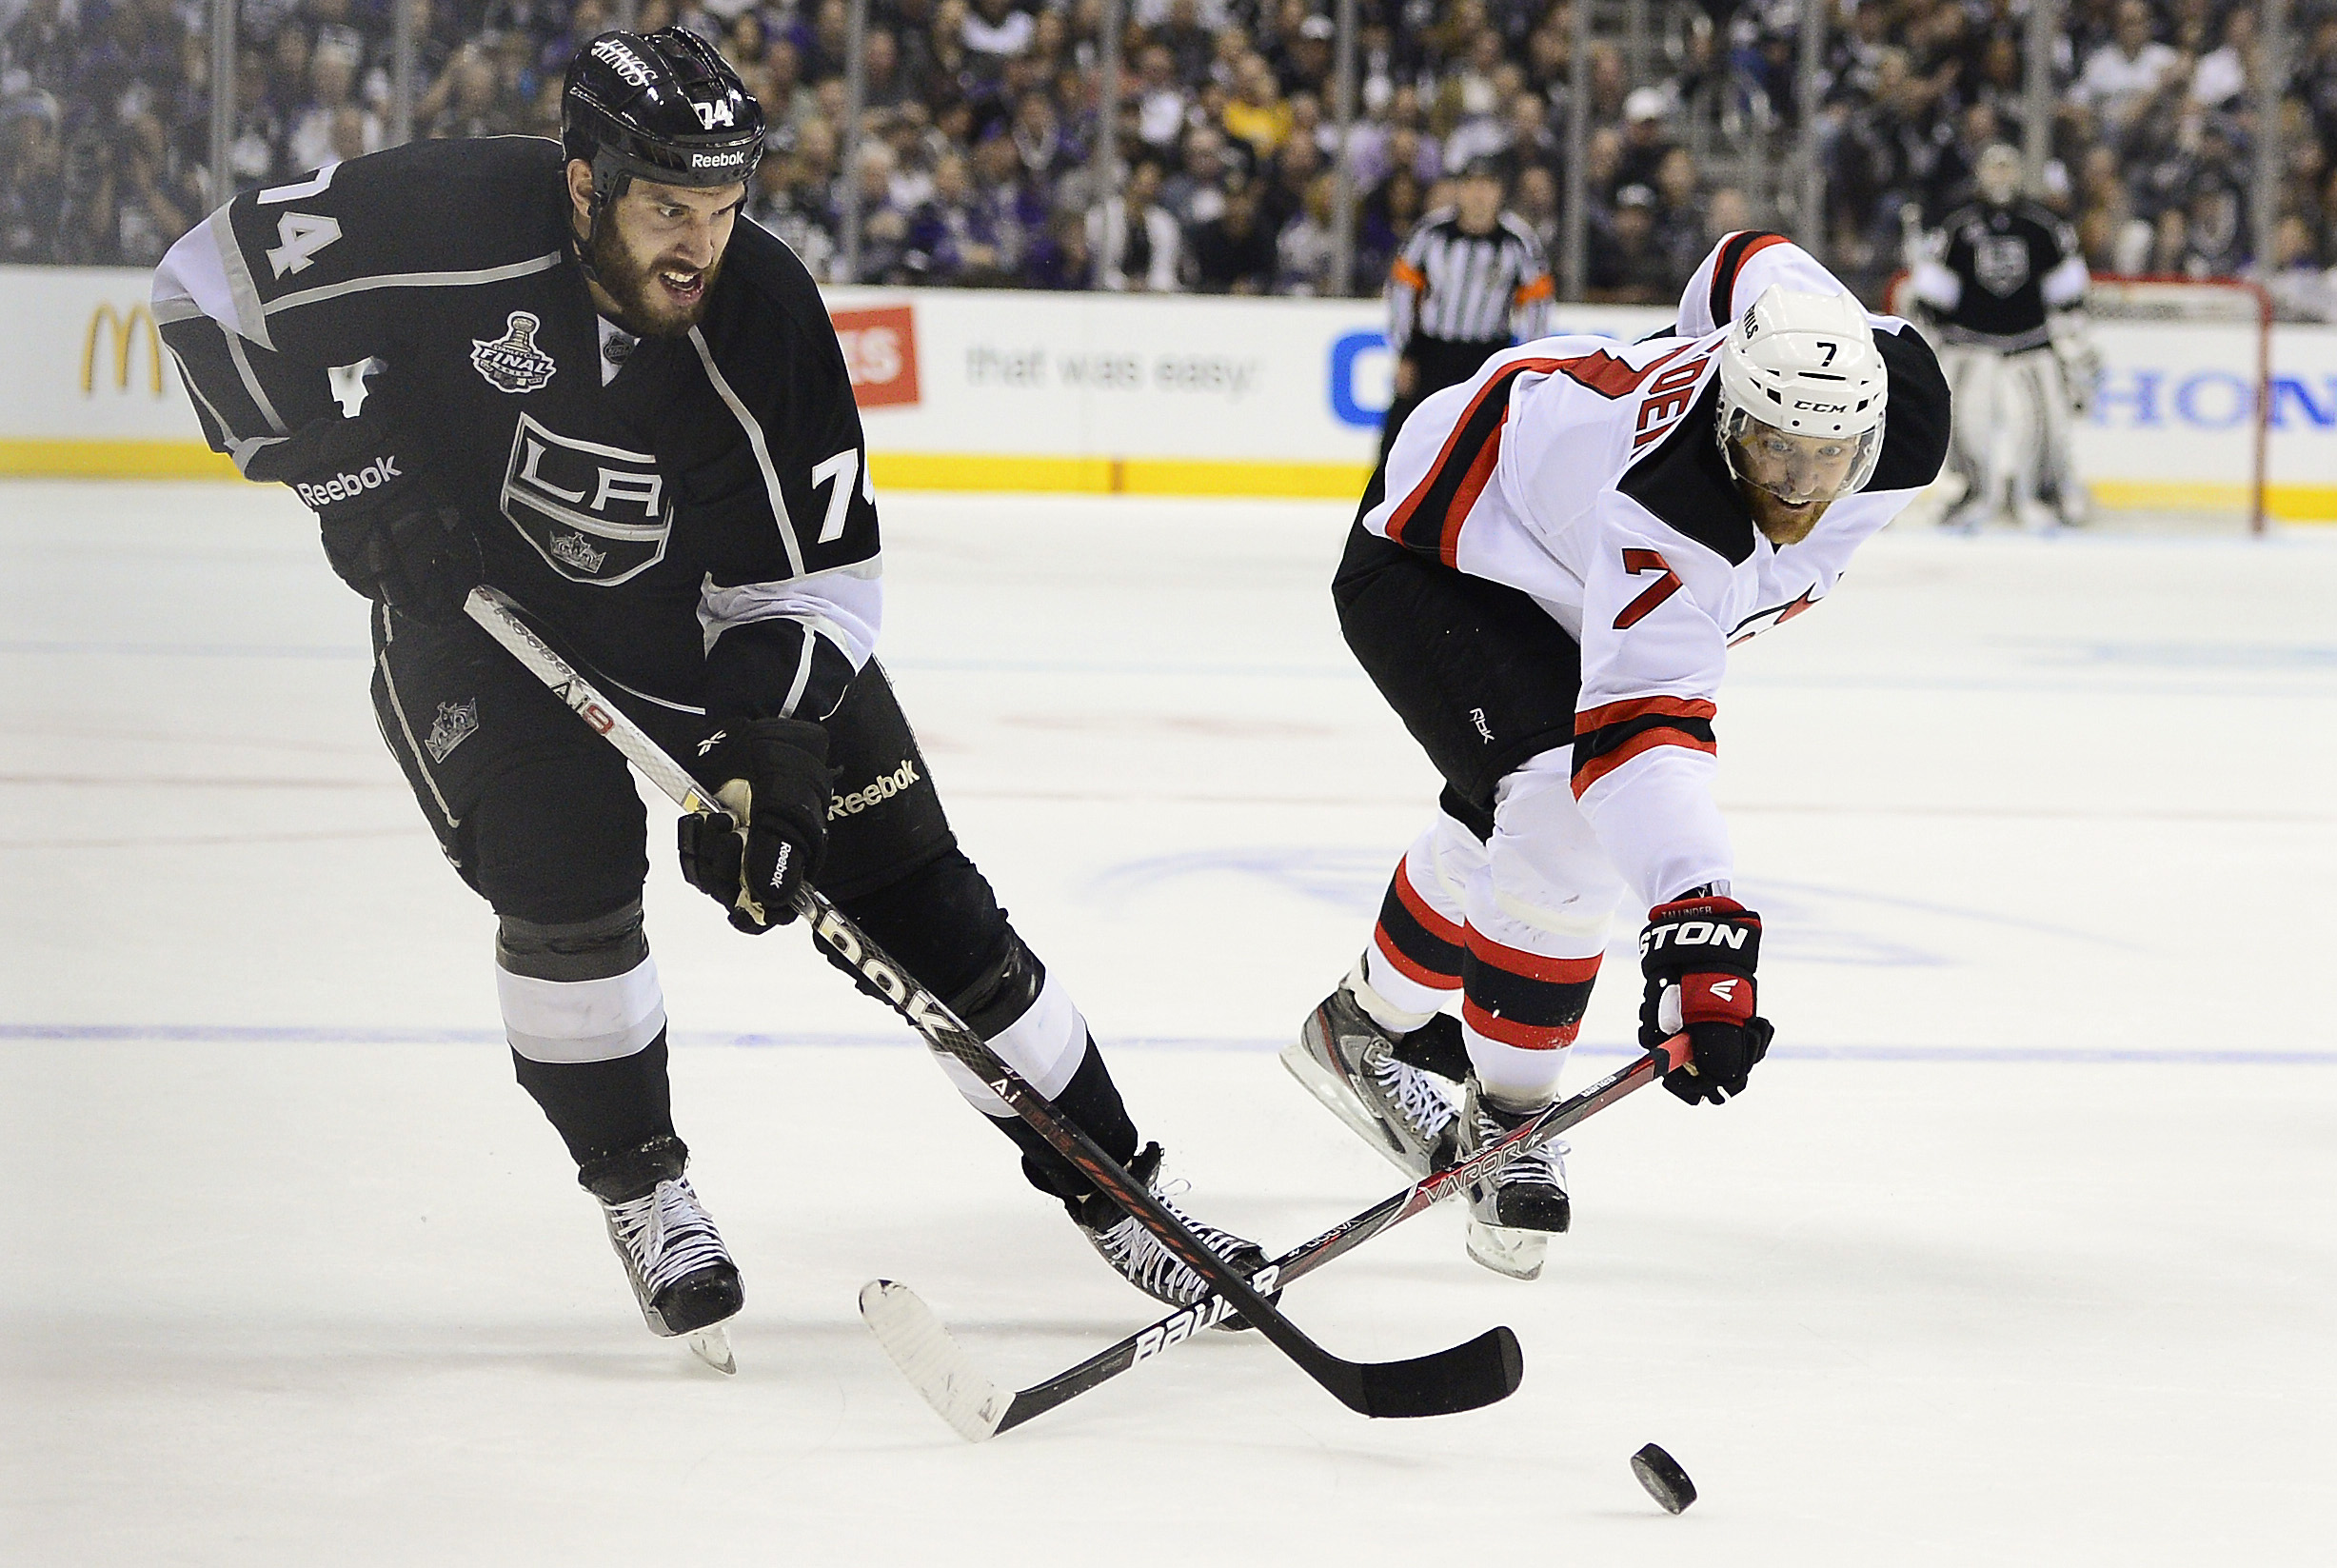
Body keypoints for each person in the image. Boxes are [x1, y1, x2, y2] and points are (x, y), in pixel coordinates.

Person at [151, 28, 1268, 1372]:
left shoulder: (765, 313)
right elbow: (201, 281)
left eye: (724, 204)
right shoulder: (442, 213)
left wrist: (765, 753)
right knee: (566, 892)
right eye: (667, 205)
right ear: (582, 183)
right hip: (485, 624)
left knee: (929, 911)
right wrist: (352, 481)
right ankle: (641, 1185)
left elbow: (818, 587)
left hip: (697, 637)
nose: (699, 239)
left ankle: (1119, 1183)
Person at [1285, 232, 1950, 1281]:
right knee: (1555, 806)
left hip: (1555, 538)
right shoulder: (1672, 508)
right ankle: (1509, 1122)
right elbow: (1640, 744)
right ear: (1731, 416)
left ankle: (1362, 1026)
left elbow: (1750, 255)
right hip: (1437, 551)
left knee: (1496, 817)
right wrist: (1700, 928)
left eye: (1826, 458)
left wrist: (1689, 348)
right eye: (1772, 447)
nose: (1797, 482)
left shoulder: (1894, 394)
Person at [1905, 144, 2094, 532]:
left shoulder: (2043, 224)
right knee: (1964, 427)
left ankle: (2044, 495)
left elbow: (2069, 295)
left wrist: (2074, 347)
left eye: (2008, 167)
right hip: (1969, 346)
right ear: (1980, 172)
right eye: (1994, 167)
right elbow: (1933, 297)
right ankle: (1973, 493)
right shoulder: (1957, 224)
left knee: (2045, 425)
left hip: (2031, 344)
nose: (2001, 176)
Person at [1377, 157, 1552, 459]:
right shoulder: (1431, 233)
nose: (1479, 194)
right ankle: (1383, 504)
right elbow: (1401, 292)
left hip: (1487, 356)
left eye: (1487, 185)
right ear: (1459, 189)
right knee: (1401, 443)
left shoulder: (1518, 242)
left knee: (1480, 451)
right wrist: (1404, 352)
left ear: (1499, 192)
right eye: (1471, 185)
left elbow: (1537, 304)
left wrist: (1527, 365)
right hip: (1431, 353)